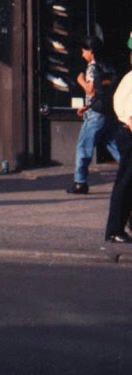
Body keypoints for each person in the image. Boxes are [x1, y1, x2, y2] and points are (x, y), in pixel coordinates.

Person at [67, 36, 120, 195]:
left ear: (91, 51)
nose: (82, 54)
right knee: (115, 147)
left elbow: (91, 90)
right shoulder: (106, 66)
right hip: (106, 112)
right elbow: (100, 93)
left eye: (84, 51)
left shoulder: (91, 67)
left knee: (83, 147)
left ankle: (80, 183)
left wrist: (81, 80)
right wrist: (87, 106)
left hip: (95, 115)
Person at [103, 66, 132, 244]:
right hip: (129, 133)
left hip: (126, 132)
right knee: (125, 182)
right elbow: (130, 116)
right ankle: (114, 230)